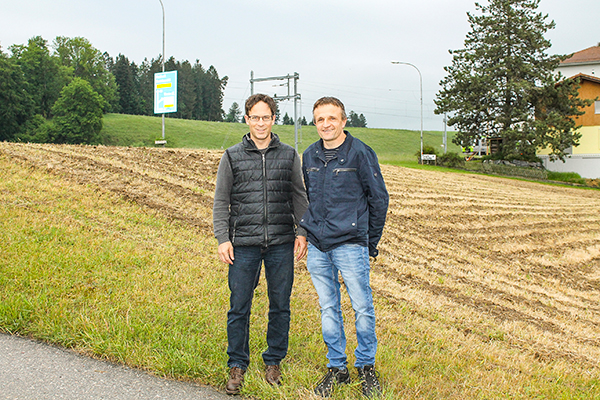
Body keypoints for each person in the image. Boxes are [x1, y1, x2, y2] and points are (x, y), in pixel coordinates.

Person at [213, 93, 309, 395]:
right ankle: (237, 364)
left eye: (266, 117)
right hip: (243, 243)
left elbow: (299, 196)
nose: (260, 122)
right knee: (239, 306)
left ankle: (273, 361)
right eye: (255, 117)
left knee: (280, 305)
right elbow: (221, 201)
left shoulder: (290, 155)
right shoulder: (231, 156)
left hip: (281, 242)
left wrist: (302, 231)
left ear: (273, 119)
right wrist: (223, 239)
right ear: (247, 119)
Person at [299, 97, 389, 398]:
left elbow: (379, 200)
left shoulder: (360, 153)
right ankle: (336, 368)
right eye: (320, 119)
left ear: (344, 121)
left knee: (362, 308)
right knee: (328, 308)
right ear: (315, 123)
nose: (326, 124)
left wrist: (368, 242)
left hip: (351, 244)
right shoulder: (309, 155)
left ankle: (366, 367)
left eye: (332, 118)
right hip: (318, 246)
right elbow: (306, 200)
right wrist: (306, 233)